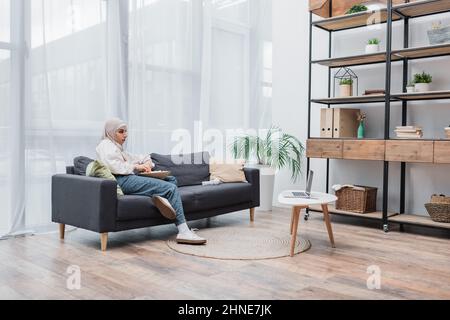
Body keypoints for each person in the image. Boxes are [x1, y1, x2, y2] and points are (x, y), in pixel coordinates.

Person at [96, 118, 206, 245]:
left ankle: (160, 197)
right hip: (120, 180)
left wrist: (147, 162)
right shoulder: (105, 145)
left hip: (127, 177)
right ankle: (183, 231)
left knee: (171, 179)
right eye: (121, 131)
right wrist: (136, 166)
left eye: (126, 131)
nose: (125, 135)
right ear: (111, 132)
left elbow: (138, 157)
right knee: (171, 188)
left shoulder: (117, 147)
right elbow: (114, 166)